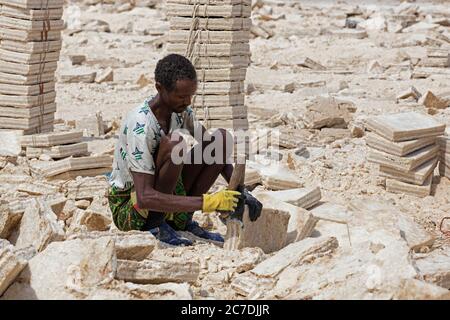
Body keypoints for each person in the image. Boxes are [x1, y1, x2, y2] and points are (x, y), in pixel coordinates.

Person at [108, 54, 262, 246]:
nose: (188, 101)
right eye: (181, 96)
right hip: (133, 208)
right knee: (175, 144)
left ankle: (182, 221)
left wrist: (240, 190)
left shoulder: (180, 112)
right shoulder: (141, 125)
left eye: (191, 95)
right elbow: (144, 196)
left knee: (221, 139)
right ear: (160, 89)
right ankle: (156, 225)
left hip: (166, 195)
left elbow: (213, 150)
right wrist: (208, 202)